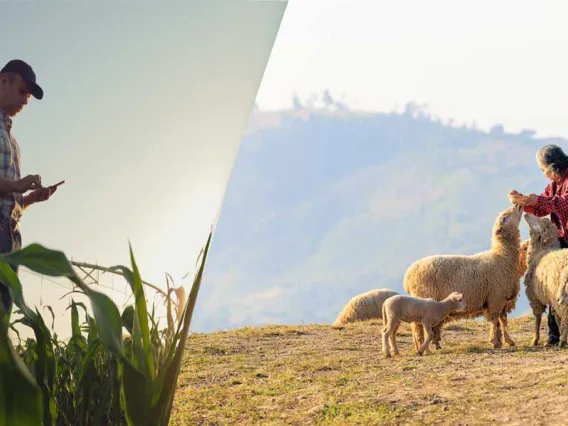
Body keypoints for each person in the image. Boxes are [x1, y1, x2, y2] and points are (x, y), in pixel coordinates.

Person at [0, 59, 59, 316]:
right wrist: (16, 184)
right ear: (4, 80)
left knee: (3, 318)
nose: (25, 100)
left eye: (29, 97)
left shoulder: (13, 142)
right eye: (23, 91)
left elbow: (11, 204)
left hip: (11, 239)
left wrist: (32, 197)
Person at [509, 144, 568, 346]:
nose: (544, 175)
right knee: (554, 285)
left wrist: (538, 200)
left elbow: (563, 203)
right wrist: (525, 201)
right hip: (561, 242)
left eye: (544, 170)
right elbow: (543, 206)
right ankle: (554, 334)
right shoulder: (554, 185)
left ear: (553, 167)